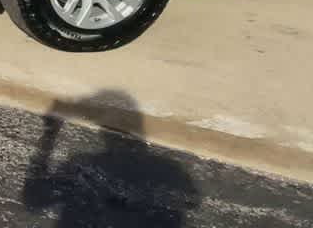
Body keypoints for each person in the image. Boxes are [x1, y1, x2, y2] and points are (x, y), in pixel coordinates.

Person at [22, 90, 199, 227]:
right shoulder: (166, 171)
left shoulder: (85, 167)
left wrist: (49, 135)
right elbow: (33, 197)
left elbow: (33, 197)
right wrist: (50, 134)